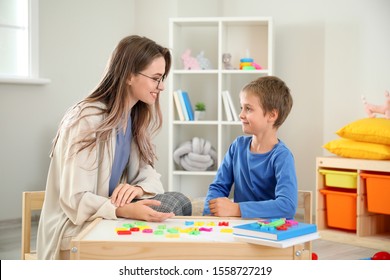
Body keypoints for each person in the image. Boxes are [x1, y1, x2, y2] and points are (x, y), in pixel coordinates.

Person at [37, 35, 192, 260]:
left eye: (162, 78)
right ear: (129, 75)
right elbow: (75, 200)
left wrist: (137, 190)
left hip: (109, 213)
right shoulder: (85, 119)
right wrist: (124, 210)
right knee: (160, 221)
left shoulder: (133, 118)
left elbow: (152, 179)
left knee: (178, 201)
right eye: (156, 78)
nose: (162, 87)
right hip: (78, 224)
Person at [203, 76, 297, 219]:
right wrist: (209, 214)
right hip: (240, 226)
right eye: (242, 108)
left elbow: (287, 206)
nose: (241, 115)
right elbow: (218, 187)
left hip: (270, 231)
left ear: (272, 115)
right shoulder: (237, 147)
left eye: (248, 109)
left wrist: (237, 209)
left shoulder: (282, 157)